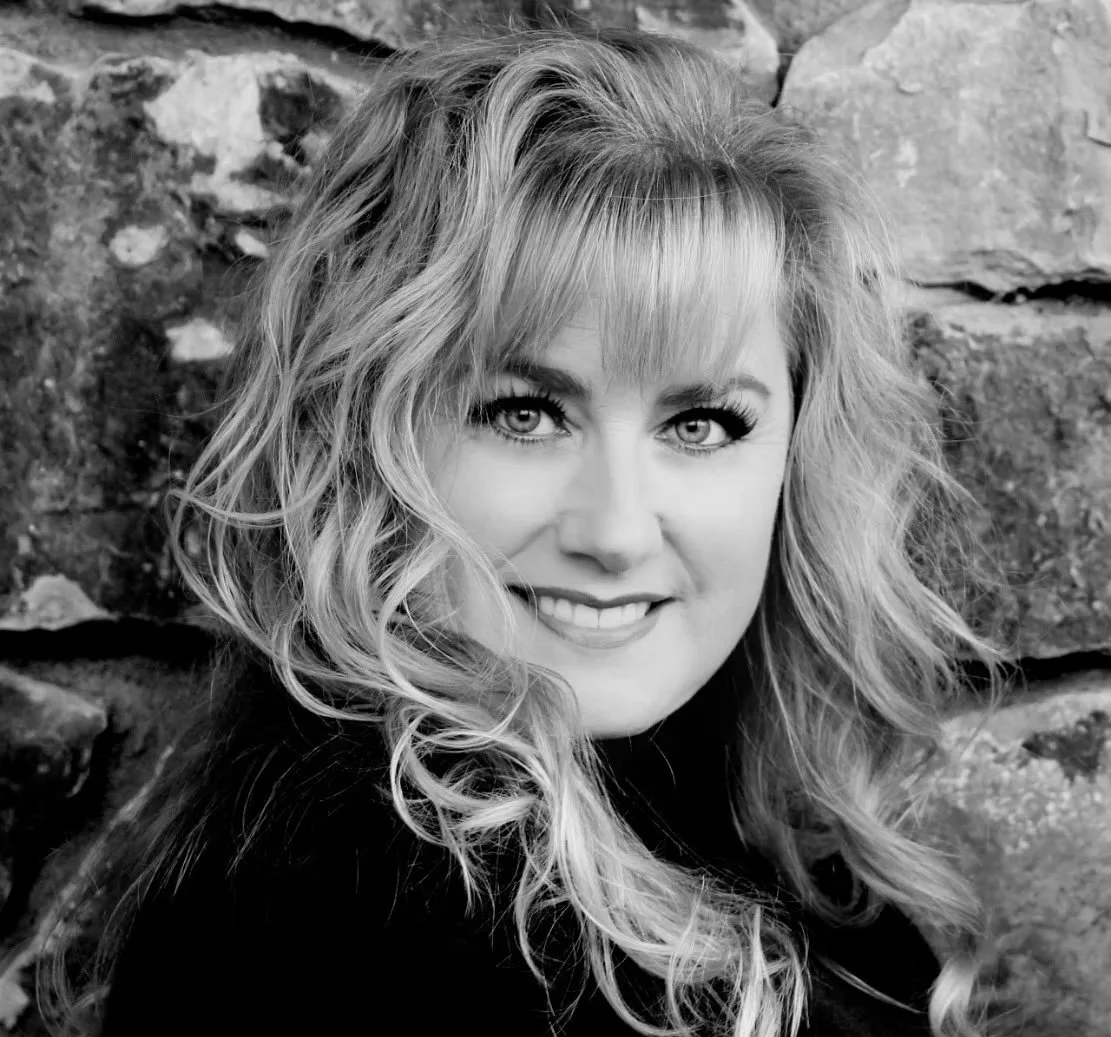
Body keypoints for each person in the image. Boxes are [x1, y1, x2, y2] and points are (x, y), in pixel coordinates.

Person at [51, 17, 1000, 1037]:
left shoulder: (738, 816)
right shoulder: (370, 911)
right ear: (365, 432)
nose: (616, 527)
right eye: (524, 412)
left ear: (796, 458)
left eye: (700, 423)